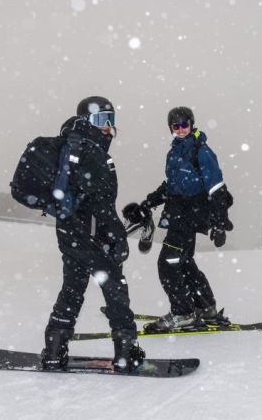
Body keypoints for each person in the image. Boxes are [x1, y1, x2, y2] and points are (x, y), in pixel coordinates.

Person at [41, 96, 145, 372]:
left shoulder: (69, 147)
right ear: (87, 121)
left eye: (112, 120)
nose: (109, 127)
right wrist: (117, 239)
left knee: (72, 290)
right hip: (95, 237)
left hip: (70, 235)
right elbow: (102, 205)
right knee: (115, 291)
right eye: (102, 120)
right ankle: (125, 352)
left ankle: (54, 348)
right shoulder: (94, 154)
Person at [123, 106, 233, 330]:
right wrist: (149, 202)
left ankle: (183, 313)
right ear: (170, 129)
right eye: (176, 126)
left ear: (192, 124)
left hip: (189, 216)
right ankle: (206, 307)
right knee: (184, 262)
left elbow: (218, 189)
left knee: (168, 263)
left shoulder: (201, 151)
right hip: (179, 214)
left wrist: (220, 224)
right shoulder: (174, 152)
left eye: (185, 125)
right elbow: (171, 185)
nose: (181, 129)